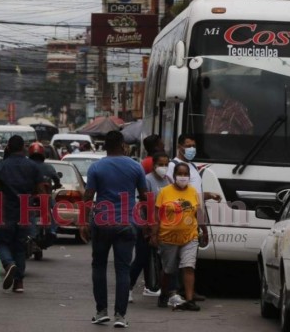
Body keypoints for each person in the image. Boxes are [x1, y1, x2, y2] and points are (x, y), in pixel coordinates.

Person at [79, 131, 147, 328]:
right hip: (127, 224)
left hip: (102, 224)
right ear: (123, 145)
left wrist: (83, 222)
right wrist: (149, 223)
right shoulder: (136, 167)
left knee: (99, 266)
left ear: (105, 146)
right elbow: (144, 197)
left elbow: (88, 196)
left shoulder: (96, 167)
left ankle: (101, 312)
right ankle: (120, 316)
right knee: (123, 269)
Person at [0, 135, 45, 293]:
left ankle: (8, 264)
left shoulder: (1, 167)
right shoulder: (33, 167)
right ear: (23, 148)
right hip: (25, 212)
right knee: (20, 247)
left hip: (5, 210)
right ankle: (19, 283)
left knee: (1, 242)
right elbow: (41, 191)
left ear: (8, 148)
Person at [151, 162, 208, 311]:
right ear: (174, 176)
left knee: (188, 267)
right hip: (168, 237)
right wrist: (154, 234)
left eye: (185, 174)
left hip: (190, 236)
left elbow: (199, 213)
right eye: (180, 174)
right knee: (168, 270)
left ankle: (189, 300)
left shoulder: (194, 192)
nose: (183, 177)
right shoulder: (165, 192)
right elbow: (157, 215)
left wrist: (205, 230)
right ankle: (164, 293)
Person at [129, 151, 170, 303]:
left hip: (163, 225)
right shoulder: (147, 181)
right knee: (141, 258)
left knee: (163, 259)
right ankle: (128, 287)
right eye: (161, 164)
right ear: (153, 166)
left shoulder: (169, 181)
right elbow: (145, 204)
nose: (163, 167)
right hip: (146, 225)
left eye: (166, 164)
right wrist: (149, 224)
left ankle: (163, 290)